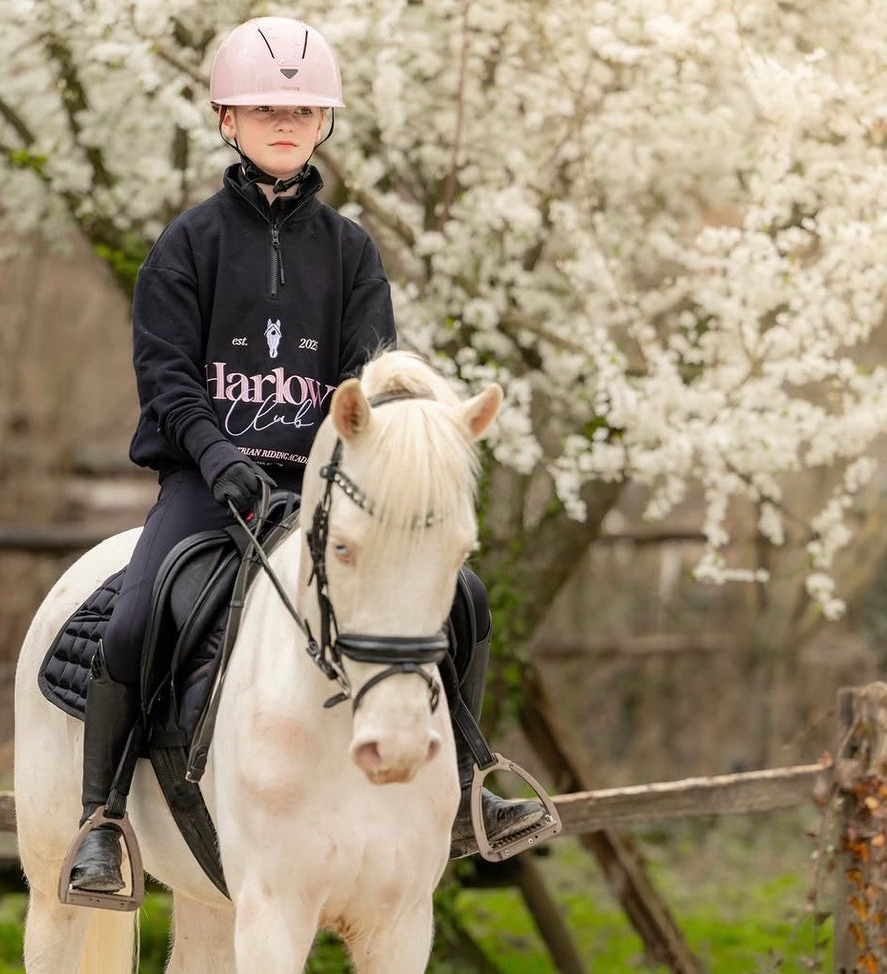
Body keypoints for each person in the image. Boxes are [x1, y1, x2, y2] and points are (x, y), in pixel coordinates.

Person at [66, 15, 545, 894]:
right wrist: (219, 460)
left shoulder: (353, 251)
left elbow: (377, 381)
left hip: (327, 488)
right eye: (263, 108)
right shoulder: (186, 247)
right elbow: (169, 383)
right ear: (228, 119)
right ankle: (100, 822)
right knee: (136, 617)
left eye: (301, 109)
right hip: (208, 484)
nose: (283, 123)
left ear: (322, 123)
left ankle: (475, 780)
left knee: (466, 597)